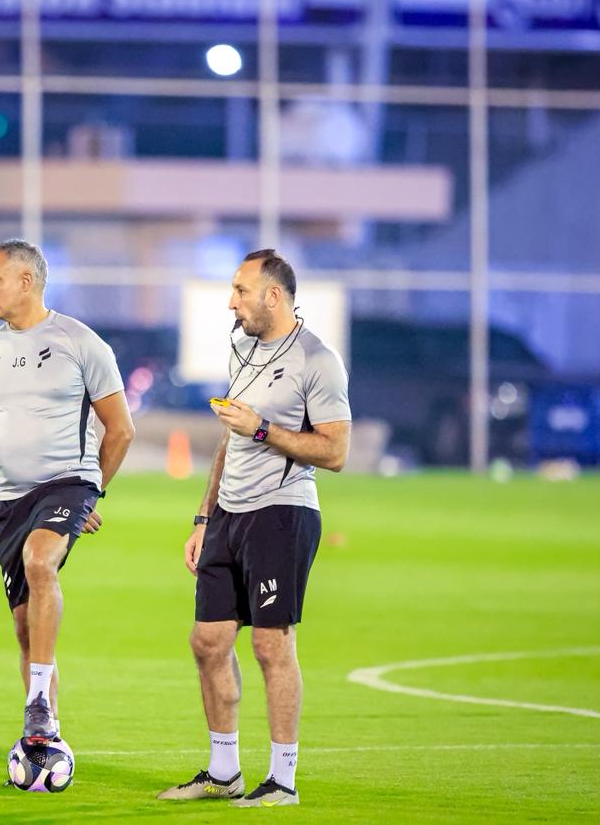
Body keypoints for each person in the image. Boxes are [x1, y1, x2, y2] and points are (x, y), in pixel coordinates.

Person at [158, 249, 351, 808]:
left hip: (281, 512)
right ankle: (224, 773)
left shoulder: (318, 360)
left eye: (241, 290)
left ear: (273, 295)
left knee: (271, 645)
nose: (231, 302)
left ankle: (283, 781)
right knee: (208, 641)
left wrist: (262, 428)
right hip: (229, 513)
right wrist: (204, 516)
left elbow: (336, 452)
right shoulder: (242, 348)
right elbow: (230, 440)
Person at [0, 239, 134, 744]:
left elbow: (121, 430)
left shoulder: (81, 343)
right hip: (10, 500)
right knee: (25, 628)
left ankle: (38, 701)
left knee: (40, 561)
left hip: (67, 482)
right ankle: (44, 737)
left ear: (26, 281)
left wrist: (91, 493)